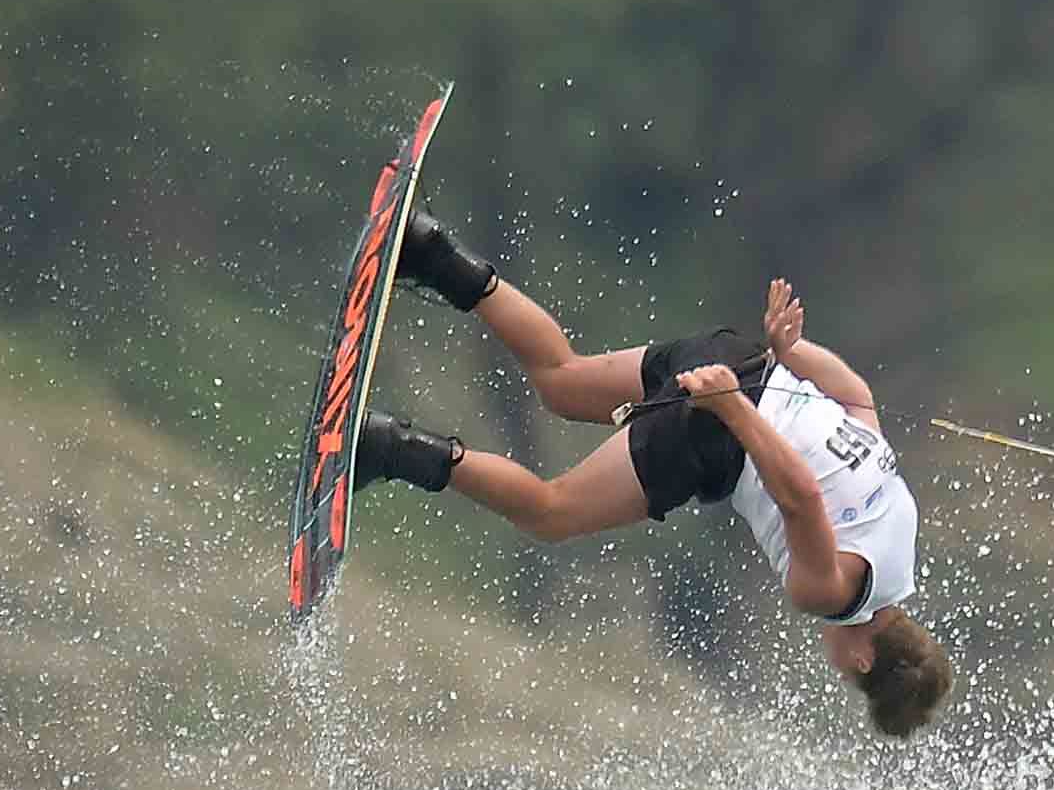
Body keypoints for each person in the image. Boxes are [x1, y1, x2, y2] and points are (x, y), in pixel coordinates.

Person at [348, 214, 956, 739]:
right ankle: (388, 447)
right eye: (848, 676)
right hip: (716, 428)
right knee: (550, 512)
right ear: (865, 660)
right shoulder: (831, 595)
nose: (836, 666)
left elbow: (857, 398)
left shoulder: (902, 540)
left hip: (738, 359)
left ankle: (432, 253)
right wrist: (730, 408)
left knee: (563, 380)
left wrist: (789, 351)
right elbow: (798, 497)